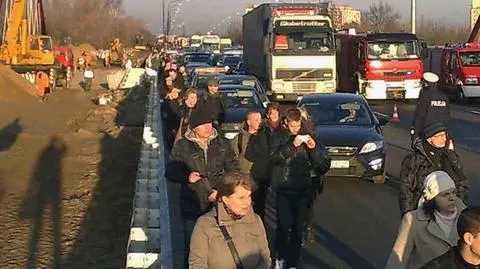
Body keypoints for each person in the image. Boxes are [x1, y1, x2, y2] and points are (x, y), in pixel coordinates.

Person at [166, 110, 239, 268]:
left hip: (219, 203)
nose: (207, 128)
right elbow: (170, 171)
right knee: (193, 247)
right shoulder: (183, 146)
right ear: (194, 128)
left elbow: (233, 169)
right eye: (202, 125)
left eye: (209, 124)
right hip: (192, 203)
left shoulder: (222, 144)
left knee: (220, 247)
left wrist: (223, 191)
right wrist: (186, 176)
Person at [270, 108, 331, 269]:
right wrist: (292, 145)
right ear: (286, 122)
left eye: (298, 126)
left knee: (298, 228)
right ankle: (280, 257)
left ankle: (293, 262)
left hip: (302, 189)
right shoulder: (278, 135)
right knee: (283, 226)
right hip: (284, 188)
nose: (295, 129)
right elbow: (274, 158)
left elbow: (321, 165)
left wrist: (311, 148)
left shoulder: (308, 135)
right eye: (292, 126)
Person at [386, 171, 467, 269]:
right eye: (445, 195)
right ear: (432, 198)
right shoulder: (413, 221)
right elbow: (398, 258)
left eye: (453, 192)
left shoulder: (466, 216)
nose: (452, 198)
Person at [189, 172, 271, 269]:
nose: (247, 202)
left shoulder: (255, 220)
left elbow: (265, 259)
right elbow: (197, 265)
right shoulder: (205, 225)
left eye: (249, 196)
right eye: (241, 198)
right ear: (225, 199)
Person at [399, 121, 469, 216]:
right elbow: (406, 190)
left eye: (445, 135)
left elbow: (461, 182)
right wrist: (408, 215)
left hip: (449, 212)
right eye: (440, 136)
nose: (444, 139)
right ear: (429, 137)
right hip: (423, 212)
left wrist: (457, 205)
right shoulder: (413, 159)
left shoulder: (449, 157)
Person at [230, 110, 270, 219]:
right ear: (248, 122)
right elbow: (233, 160)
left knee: (260, 208)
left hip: (261, 178)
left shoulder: (266, 136)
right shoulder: (239, 139)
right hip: (245, 177)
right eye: (256, 120)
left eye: (260, 119)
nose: (259, 122)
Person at [411, 72, 450, 150]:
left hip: (427, 132)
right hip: (442, 131)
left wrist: (415, 132)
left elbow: (420, 116)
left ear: (426, 83)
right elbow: (447, 116)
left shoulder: (424, 95)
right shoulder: (444, 96)